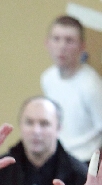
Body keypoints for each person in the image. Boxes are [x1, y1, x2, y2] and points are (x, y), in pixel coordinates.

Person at [41, 15, 102, 164]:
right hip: (58, 157)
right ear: (47, 43)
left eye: (69, 40)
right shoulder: (48, 78)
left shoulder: (91, 86)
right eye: (56, 39)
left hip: (84, 161)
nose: (62, 46)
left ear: (82, 47)